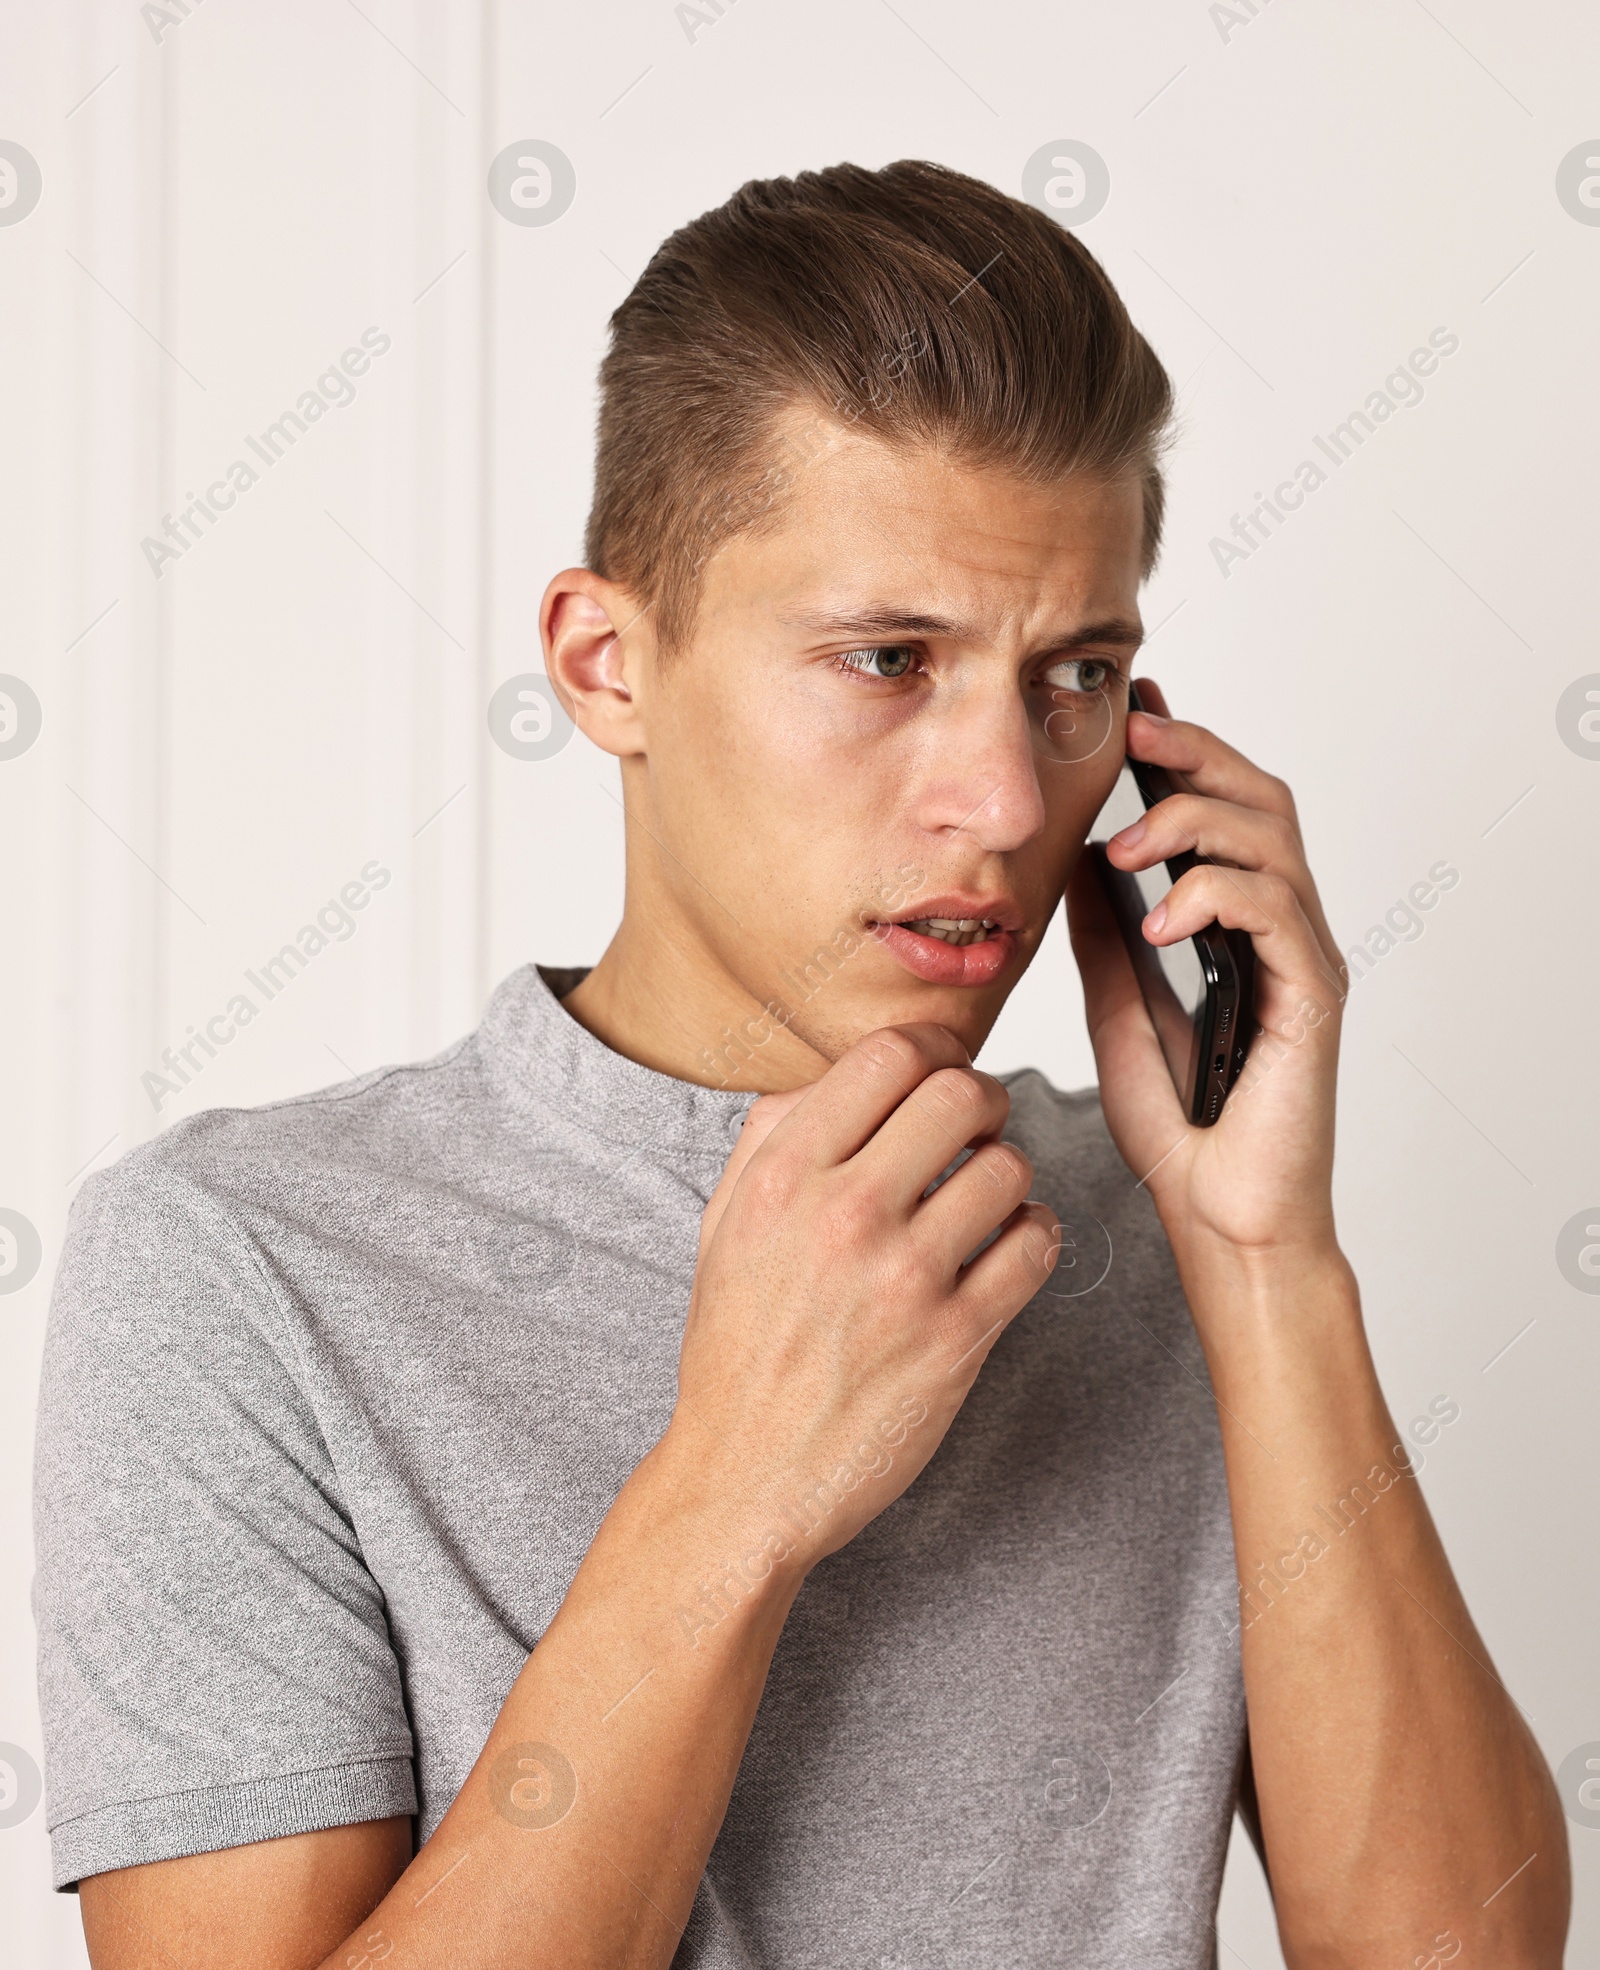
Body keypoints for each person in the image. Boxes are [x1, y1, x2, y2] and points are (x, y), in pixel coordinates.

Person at [34, 159, 1567, 1970]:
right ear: (607, 666)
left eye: (1075, 676)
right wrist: (736, 1488)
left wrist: (1262, 1264)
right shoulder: (239, 1266)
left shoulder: (1174, 1233)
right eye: (887, 658)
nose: (1003, 800)